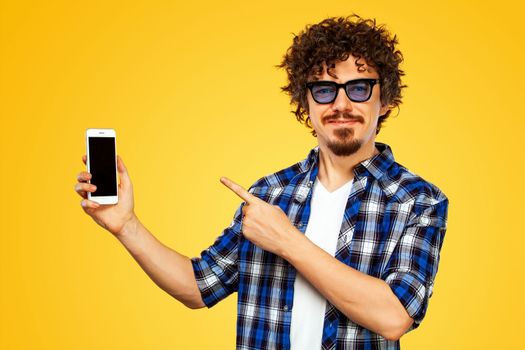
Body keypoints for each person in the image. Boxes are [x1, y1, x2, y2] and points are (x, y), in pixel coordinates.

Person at [74, 14, 449, 350]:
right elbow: (197, 286)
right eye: (323, 89)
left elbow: (395, 317)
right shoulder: (269, 195)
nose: (340, 104)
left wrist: (286, 240)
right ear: (306, 104)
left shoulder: (418, 200)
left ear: (385, 101)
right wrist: (126, 226)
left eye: (358, 88)